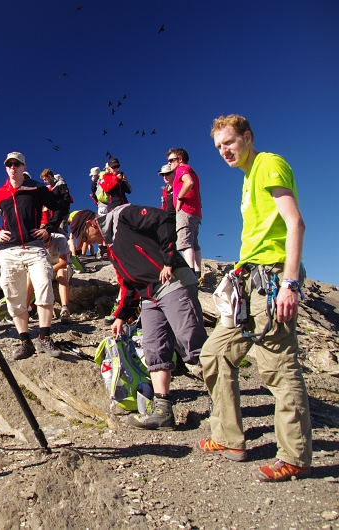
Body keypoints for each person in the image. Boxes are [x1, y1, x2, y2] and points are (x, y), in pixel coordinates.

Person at [198, 115, 311, 482]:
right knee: (214, 353)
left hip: (272, 280)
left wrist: (290, 283)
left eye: (229, 142)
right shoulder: (248, 177)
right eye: (218, 146)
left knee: (278, 365)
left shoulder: (268, 164)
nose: (224, 151)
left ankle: (294, 455)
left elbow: (295, 222)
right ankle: (229, 437)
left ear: (247, 137)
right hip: (248, 283)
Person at [78, 205, 207, 430]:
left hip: (172, 282)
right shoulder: (112, 250)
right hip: (150, 295)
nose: (87, 242)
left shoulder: (122, 217)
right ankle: (163, 411)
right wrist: (121, 315)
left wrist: (168, 259)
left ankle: (224, 407)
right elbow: (127, 284)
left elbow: (164, 218)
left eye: (84, 235)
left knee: (192, 341)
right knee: (154, 349)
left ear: (90, 224)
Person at [0, 152, 66, 360]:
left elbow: (61, 206)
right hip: (9, 250)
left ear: (23, 167)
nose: (12, 168)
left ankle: (44, 338)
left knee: (44, 285)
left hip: (35, 247)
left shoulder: (37, 188)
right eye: (9, 165)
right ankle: (25, 341)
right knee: (12, 293)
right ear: (6, 168)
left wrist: (49, 228)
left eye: (16, 164)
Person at [167, 148, 203, 279]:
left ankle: (190, 273)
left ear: (180, 159)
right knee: (194, 242)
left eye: (171, 160)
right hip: (195, 211)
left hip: (186, 209)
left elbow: (189, 182)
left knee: (184, 242)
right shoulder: (192, 170)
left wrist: (180, 198)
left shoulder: (182, 169)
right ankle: (198, 272)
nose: (170, 163)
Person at [26, 232, 73, 324]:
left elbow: (63, 262)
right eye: (42, 242)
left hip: (59, 267)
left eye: (47, 240)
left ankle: (65, 309)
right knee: (30, 276)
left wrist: (47, 271)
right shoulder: (34, 244)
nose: (45, 244)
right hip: (43, 269)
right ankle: (25, 310)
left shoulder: (60, 239)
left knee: (61, 272)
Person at [39, 169, 72, 234]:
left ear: (49, 176)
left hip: (62, 211)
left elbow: (66, 196)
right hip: (56, 213)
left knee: (62, 230)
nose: (45, 181)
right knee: (57, 231)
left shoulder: (60, 184)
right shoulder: (52, 187)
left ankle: (67, 243)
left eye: (45, 179)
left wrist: (64, 209)